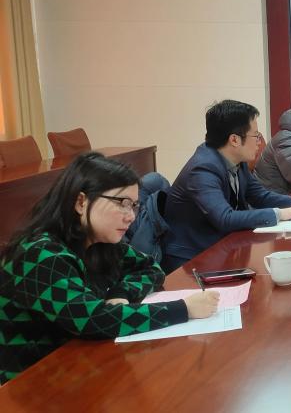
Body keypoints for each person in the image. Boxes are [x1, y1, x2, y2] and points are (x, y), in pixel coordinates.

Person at [0, 152, 221, 383]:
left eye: (134, 206)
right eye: (122, 204)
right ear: (81, 202)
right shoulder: (40, 254)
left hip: (79, 364)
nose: (131, 217)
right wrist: (183, 309)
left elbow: (151, 267)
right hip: (29, 383)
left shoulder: (99, 242)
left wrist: (121, 292)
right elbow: (92, 319)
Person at [163, 100, 291, 271]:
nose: (259, 141)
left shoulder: (236, 159)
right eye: (255, 135)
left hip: (222, 247)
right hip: (192, 259)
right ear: (234, 140)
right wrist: (282, 214)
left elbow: (259, 196)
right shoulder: (202, 169)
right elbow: (225, 218)